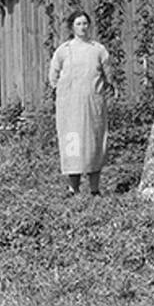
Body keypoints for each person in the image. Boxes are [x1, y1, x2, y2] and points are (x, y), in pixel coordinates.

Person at [48, 10, 113, 196]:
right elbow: (53, 76)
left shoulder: (98, 50)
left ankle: (94, 189)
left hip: (92, 106)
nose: (82, 27)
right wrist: (64, 92)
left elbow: (108, 75)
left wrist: (104, 90)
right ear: (72, 27)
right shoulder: (64, 50)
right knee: (72, 144)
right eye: (78, 24)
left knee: (94, 143)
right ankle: (73, 188)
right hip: (70, 108)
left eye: (85, 23)